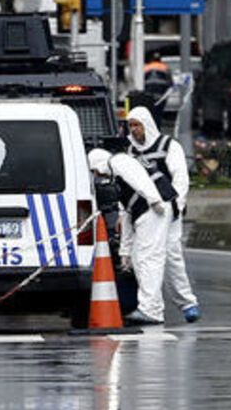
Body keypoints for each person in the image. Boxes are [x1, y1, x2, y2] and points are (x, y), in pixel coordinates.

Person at [126, 106, 201, 324]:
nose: (134, 130)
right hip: (144, 213)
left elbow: (180, 178)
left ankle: (185, 302)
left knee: (170, 256)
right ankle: (154, 306)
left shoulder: (168, 146)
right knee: (148, 258)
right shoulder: (130, 152)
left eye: (137, 125)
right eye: (130, 125)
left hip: (167, 210)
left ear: (146, 125)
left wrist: (176, 206)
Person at [86, 146, 170, 326]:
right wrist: (125, 252)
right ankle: (151, 306)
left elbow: (140, 180)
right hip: (146, 211)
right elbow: (126, 215)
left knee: (148, 259)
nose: (97, 176)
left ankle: (151, 311)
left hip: (154, 209)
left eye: (94, 171)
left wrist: (154, 199)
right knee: (140, 259)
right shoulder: (117, 176)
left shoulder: (119, 161)